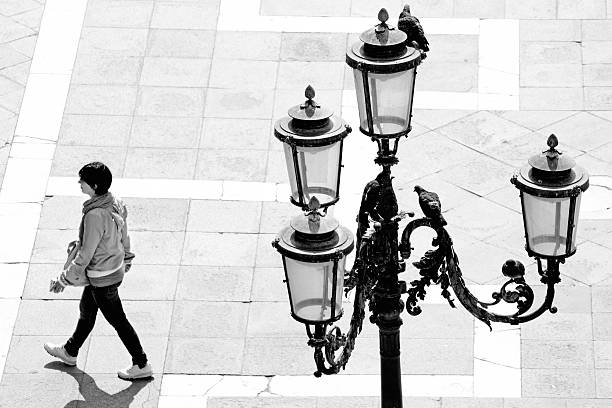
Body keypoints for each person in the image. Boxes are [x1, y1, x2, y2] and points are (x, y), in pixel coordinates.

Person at [44, 162, 152, 381]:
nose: (79, 183)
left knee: (118, 321)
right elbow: (124, 236)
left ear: (93, 186)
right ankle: (70, 351)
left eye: (82, 180)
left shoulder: (95, 216)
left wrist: (64, 280)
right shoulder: (115, 203)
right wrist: (127, 258)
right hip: (112, 269)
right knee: (87, 311)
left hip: (102, 276)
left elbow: (86, 254)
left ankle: (141, 363)